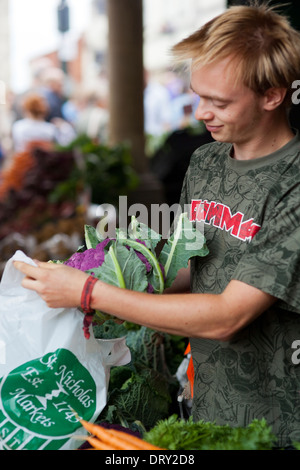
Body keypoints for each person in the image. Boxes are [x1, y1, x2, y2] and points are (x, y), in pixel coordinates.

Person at [13, 3, 300, 448]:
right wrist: (102, 278)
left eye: (219, 101)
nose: (201, 112)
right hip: (205, 406)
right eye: (197, 95)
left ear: (273, 95)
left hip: (277, 423)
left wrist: (88, 293)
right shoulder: (205, 162)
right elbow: (191, 267)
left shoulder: (293, 182)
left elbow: (229, 315)